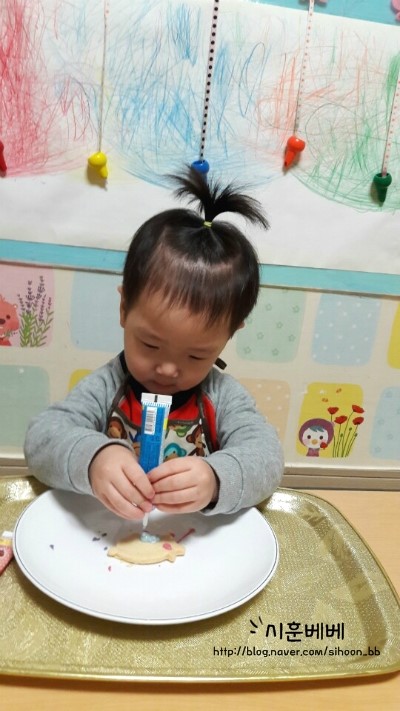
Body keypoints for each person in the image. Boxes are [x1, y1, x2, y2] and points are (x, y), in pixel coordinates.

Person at [24, 166, 284, 520]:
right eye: (150, 345)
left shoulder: (222, 397)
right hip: (112, 534)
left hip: (194, 543)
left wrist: (215, 479)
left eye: (196, 355)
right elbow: (41, 438)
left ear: (229, 337)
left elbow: (267, 457)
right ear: (124, 309)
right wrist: (94, 458)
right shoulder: (107, 387)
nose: (168, 369)